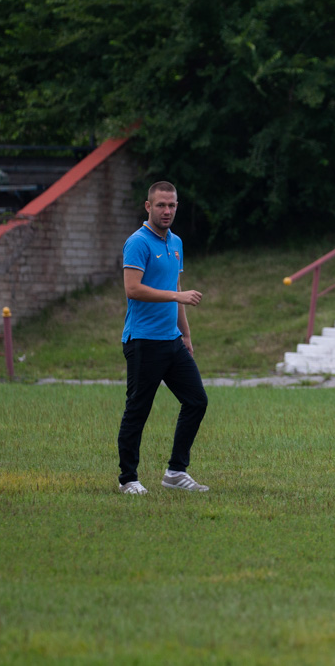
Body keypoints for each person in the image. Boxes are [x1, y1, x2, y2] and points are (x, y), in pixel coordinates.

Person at [116, 181, 210, 495]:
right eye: (161, 205)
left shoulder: (176, 242)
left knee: (197, 401)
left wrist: (186, 335)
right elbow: (133, 289)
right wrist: (177, 295)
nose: (167, 211)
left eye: (171, 205)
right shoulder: (137, 243)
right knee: (138, 409)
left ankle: (175, 472)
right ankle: (128, 478)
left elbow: (175, 287)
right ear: (148, 206)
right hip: (143, 340)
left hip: (172, 341)